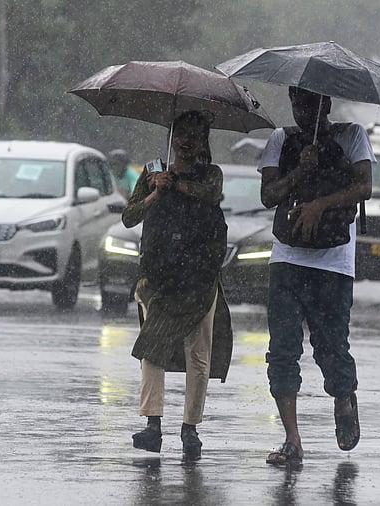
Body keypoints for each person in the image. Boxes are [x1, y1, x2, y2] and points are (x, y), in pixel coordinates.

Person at [259, 86, 374, 465]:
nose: (302, 111)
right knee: (282, 350)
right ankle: (292, 440)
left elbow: (365, 186)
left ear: (327, 104)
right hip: (287, 259)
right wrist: (299, 172)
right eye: (296, 104)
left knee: (330, 346)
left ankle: (344, 398)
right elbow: (268, 195)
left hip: (333, 263)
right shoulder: (281, 140)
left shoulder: (352, 136)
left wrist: (320, 205)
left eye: (310, 104)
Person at [121, 110, 233, 460]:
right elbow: (129, 217)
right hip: (158, 279)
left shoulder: (211, 174)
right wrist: (155, 191)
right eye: (181, 133)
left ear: (203, 141)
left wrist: (177, 184)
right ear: (172, 136)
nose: (186, 141)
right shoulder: (151, 173)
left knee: (198, 354)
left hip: (200, 280)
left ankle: (190, 429)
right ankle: (152, 425)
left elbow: (210, 194)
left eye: (194, 135)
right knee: (151, 347)